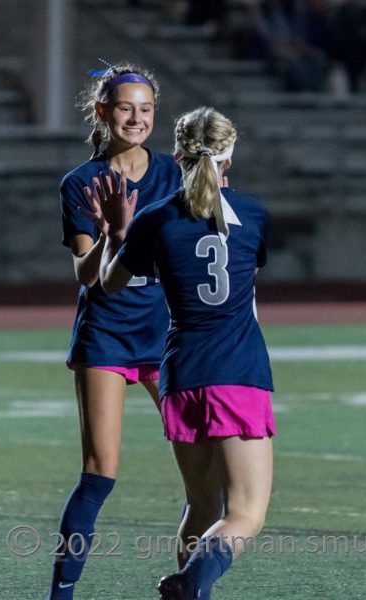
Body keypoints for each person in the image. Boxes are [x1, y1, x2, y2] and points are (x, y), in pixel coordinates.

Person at [96, 106, 275, 600]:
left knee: (200, 504)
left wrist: (117, 233)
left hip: (180, 374)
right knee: (244, 513)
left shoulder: (154, 218)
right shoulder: (255, 214)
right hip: (237, 371)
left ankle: (191, 589)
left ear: (176, 155)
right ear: (229, 160)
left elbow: (109, 285)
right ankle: (190, 583)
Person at [48, 63, 183, 600]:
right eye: (125, 107)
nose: (136, 118)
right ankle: (61, 594)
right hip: (106, 332)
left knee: (205, 472)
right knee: (100, 471)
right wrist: (117, 236)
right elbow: (86, 275)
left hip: (167, 334)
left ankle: (191, 585)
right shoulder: (81, 183)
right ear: (102, 112)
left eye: (146, 109)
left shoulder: (175, 174)